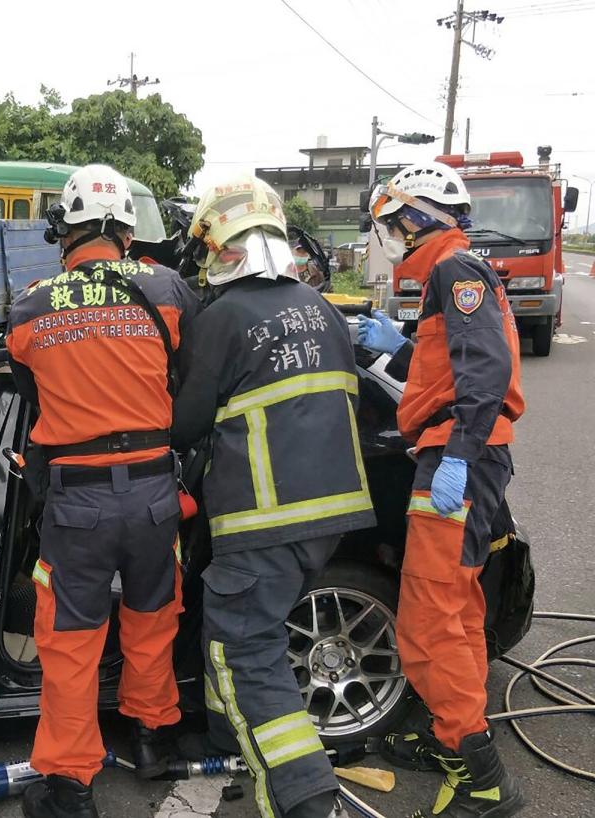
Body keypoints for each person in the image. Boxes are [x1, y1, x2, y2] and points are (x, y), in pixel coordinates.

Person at [171, 174, 375, 818]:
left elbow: (183, 423)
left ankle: (307, 799)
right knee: (235, 634)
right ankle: (227, 743)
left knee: (242, 653)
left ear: (220, 246)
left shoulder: (225, 317)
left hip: (265, 517)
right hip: (331, 515)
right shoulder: (320, 308)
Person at [5, 164, 200, 818]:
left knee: (70, 638)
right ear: (126, 229)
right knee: (151, 617)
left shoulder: (33, 303)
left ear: (65, 230)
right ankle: (153, 739)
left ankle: (69, 785)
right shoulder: (167, 288)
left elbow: (26, 385)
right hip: (153, 495)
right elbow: (186, 375)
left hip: (78, 498)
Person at [357, 161, 525, 817]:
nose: (390, 236)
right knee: (458, 610)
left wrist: (456, 454)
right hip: (465, 449)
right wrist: (396, 348)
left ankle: (481, 779)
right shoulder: (445, 276)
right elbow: (447, 370)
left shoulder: (455, 271)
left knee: (430, 621)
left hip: (459, 454)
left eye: (392, 223)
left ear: (417, 215)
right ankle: (449, 735)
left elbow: (484, 368)